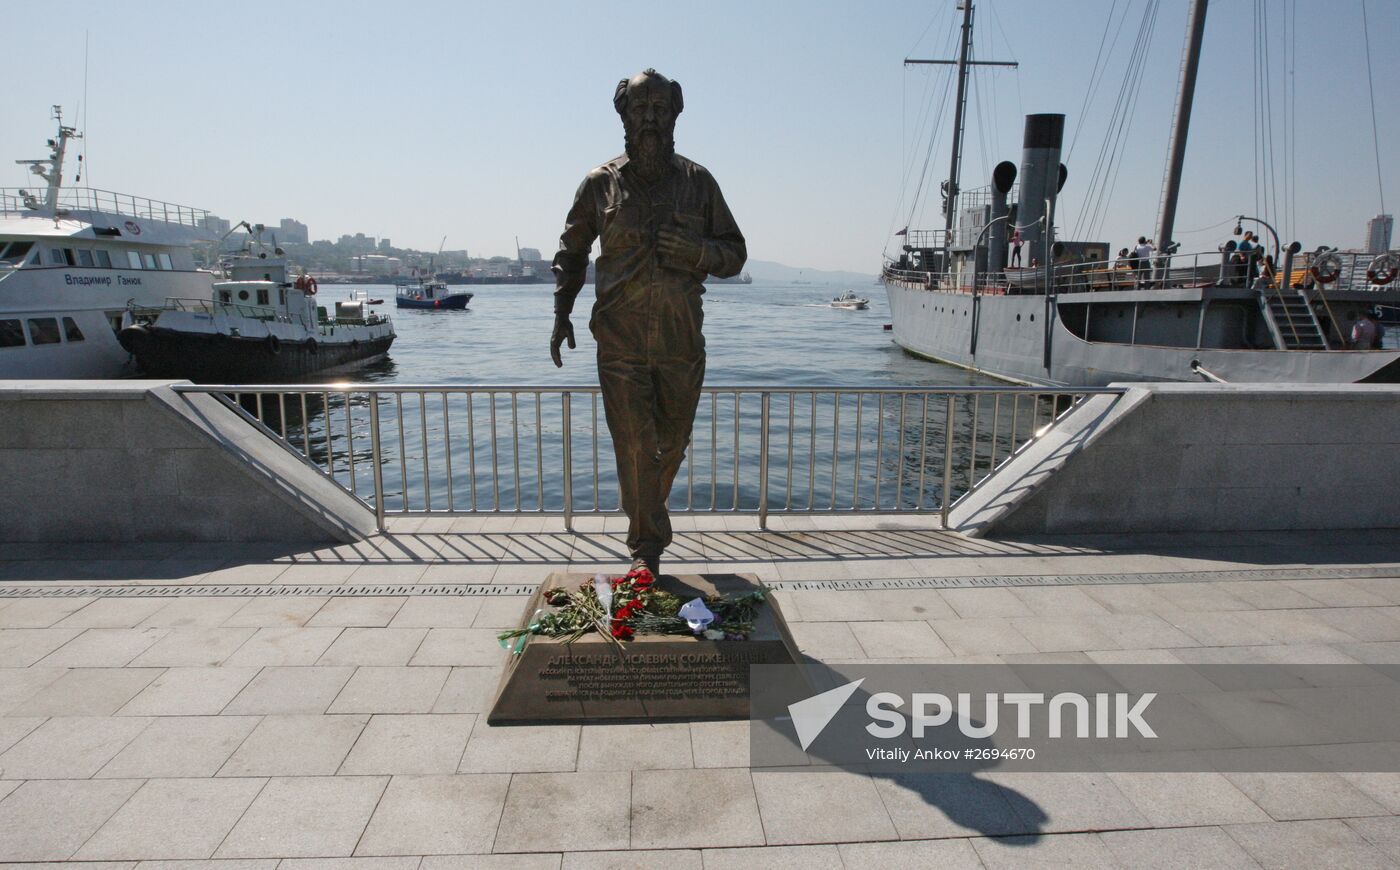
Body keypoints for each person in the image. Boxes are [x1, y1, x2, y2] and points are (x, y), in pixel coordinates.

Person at [549, 69, 747, 577]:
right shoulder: (600, 184)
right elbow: (571, 252)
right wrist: (561, 313)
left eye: (660, 108)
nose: (651, 118)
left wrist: (699, 250)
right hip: (621, 343)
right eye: (641, 109)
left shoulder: (699, 183)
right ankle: (646, 548)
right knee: (635, 443)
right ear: (624, 115)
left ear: (676, 112)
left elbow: (736, 253)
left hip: (682, 343)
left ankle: (648, 523)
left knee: (672, 443)